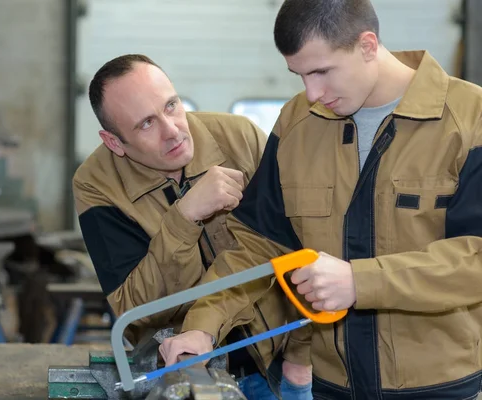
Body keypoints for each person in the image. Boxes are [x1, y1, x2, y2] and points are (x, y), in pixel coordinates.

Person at [160, 0, 482, 399]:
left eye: (321, 71)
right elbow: (257, 246)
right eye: (299, 75)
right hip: (332, 387)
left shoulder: (470, 121)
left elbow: (476, 258)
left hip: (442, 388)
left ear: (367, 46)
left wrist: (360, 281)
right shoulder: (298, 123)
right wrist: (203, 325)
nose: (312, 92)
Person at [72, 54, 313, 399]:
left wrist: (301, 354)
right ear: (113, 142)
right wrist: (183, 219)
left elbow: (296, 246)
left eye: (171, 106)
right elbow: (136, 309)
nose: (172, 132)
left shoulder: (241, 138)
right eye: (146, 124)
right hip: (183, 374)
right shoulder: (97, 185)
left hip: (281, 361)